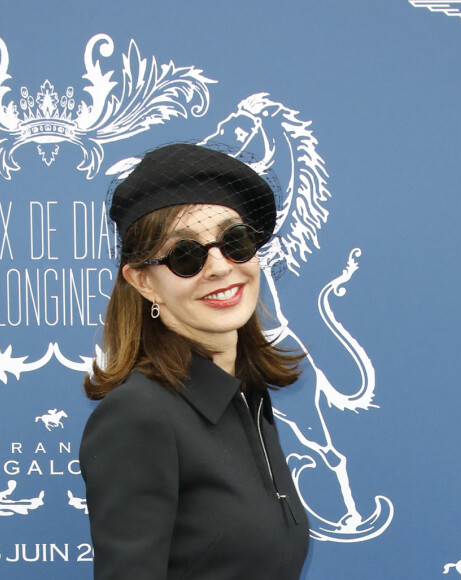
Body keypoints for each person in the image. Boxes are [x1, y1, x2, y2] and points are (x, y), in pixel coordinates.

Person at [79, 143, 310, 579]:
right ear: (144, 281)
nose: (220, 267)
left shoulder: (247, 398)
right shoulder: (139, 417)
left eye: (235, 241)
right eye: (185, 255)